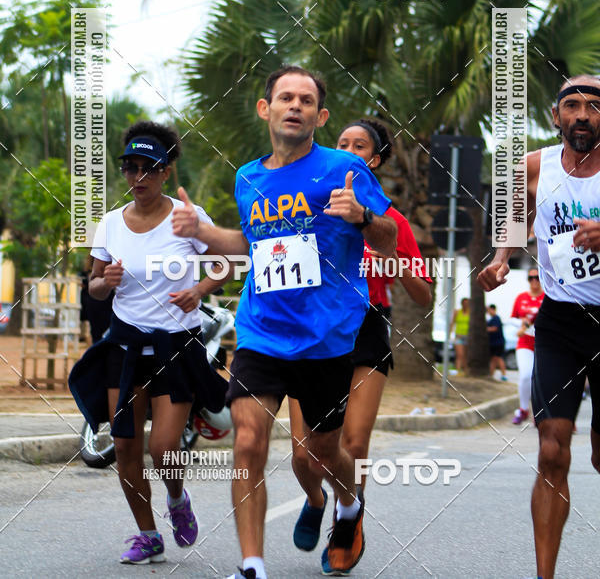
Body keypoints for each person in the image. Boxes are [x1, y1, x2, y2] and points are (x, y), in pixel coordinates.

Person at [171, 66, 398, 579]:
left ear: (320, 116)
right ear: (265, 108)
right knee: (248, 439)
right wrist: (202, 231)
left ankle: (348, 503)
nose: (294, 106)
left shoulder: (345, 167)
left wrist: (362, 216)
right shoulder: (248, 177)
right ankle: (252, 565)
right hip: (262, 329)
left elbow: (389, 240)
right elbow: (250, 244)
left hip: (327, 336)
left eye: (306, 100)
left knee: (321, 451)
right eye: (285, 97)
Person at [69, 121, 228, 565]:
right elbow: (95, 287)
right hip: (124, 345)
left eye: (148, 169)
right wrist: (106, 281)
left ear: (166, 172)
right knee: (124, 446)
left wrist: (199, 291)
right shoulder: (110, 225)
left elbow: (226, 266)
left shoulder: (187, 219)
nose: (138, 178)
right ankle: (147, 534)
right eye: (130, 168)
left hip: (175, 345)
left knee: (162, 447)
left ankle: (177, 498)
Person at [288, 118, 432, 575]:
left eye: (360, 145)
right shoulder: (308, 207)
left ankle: (347, 523)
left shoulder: (391, 223)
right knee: (303, 453)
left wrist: (392, 256)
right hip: (313, 330)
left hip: (367, 329)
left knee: (353, 441)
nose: (349, 150)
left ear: (375, 160)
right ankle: (314, 499)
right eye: (342, 143)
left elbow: (423, 294)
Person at [478, 75, 600, 579]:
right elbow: (511, 214)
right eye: (572, 105)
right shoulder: (536, 165)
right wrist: (501, 257)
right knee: (552, 449)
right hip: (560, 321)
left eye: (594, 107)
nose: (582, 115)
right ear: (556, 116)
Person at [510, 267, 544, 424]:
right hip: (525, 342)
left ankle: (541, 413)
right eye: (531, 278)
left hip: (544, 343)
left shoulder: (548, 297)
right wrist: (522, 323)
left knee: (542, 378)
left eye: (537, 277)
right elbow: (512, 318)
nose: (534, 281)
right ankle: (523, 409)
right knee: (525, 375)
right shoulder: (521, 297)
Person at [486, 304, 507, 381]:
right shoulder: (491, 319)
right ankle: (491, 374)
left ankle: (503, 375)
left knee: (497, 358)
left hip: (498, 343)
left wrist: (485, 329)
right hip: (493, 343)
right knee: (494, 359)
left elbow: (495, 328)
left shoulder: (496, 318)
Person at [450, 297, 470, 373]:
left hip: (467, 337)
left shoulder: (470, 312)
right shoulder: (457, 312)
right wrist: (450, 334)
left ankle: (465, 371)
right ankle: (458, 370)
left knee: (465, 355)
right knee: (459, 354)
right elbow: (452, 323)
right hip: (459, 336)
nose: (466, 305)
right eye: (465, 303)